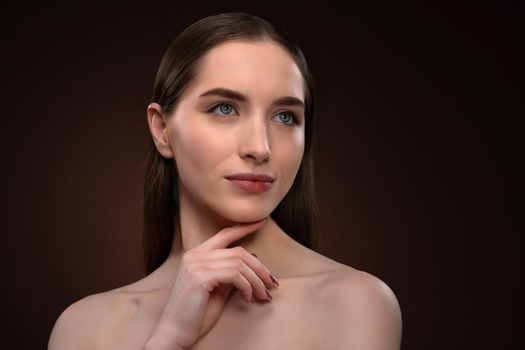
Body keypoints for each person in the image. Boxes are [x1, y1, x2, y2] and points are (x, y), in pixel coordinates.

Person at [48, 12, 402, 349]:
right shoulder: (83, 327)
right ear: (162, 130)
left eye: (285, 116)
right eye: (225, 108)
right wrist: (167, 340)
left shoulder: (353, 304)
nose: (259, 148)